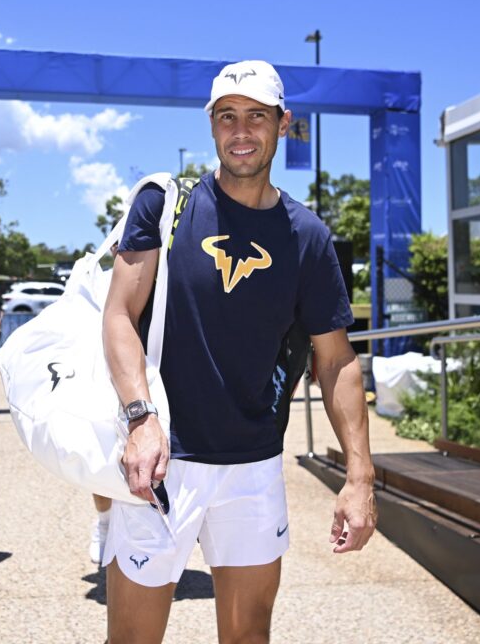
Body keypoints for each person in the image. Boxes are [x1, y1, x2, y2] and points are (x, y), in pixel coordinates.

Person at [102, 60, 377, 643]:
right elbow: (120, 316)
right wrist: (139, 418)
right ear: (211, 126)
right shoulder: (166, 206)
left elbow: (337, 360)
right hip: (161, 462)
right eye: (227, 117)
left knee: (249, 637)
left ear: (283, 124)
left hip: (253, 466)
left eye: (256, 116)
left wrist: (360, 478)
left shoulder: (308, 237)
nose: (241, 130)